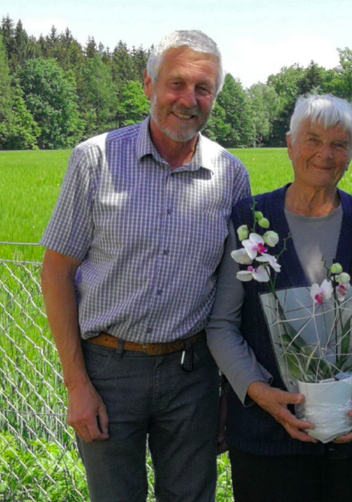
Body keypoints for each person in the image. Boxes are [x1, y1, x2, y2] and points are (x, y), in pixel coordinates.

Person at [40, 30, 250, 502]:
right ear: (148, 84)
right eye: (176, 84)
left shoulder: (231, 176)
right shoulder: (95, 160)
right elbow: (55, 273)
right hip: (107, 373)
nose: (188, 100)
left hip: (192, 375)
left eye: (203, 89)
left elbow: (234, 293)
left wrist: (227, 391)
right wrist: (77, 386)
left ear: (215, 95)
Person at [207, 94, 352, 502]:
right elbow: (222, 325)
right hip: (269, 443)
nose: (325, 154)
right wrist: (260, 393)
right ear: (290, 144)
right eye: (312, 139)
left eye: (338, 144)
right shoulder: (249, 221)